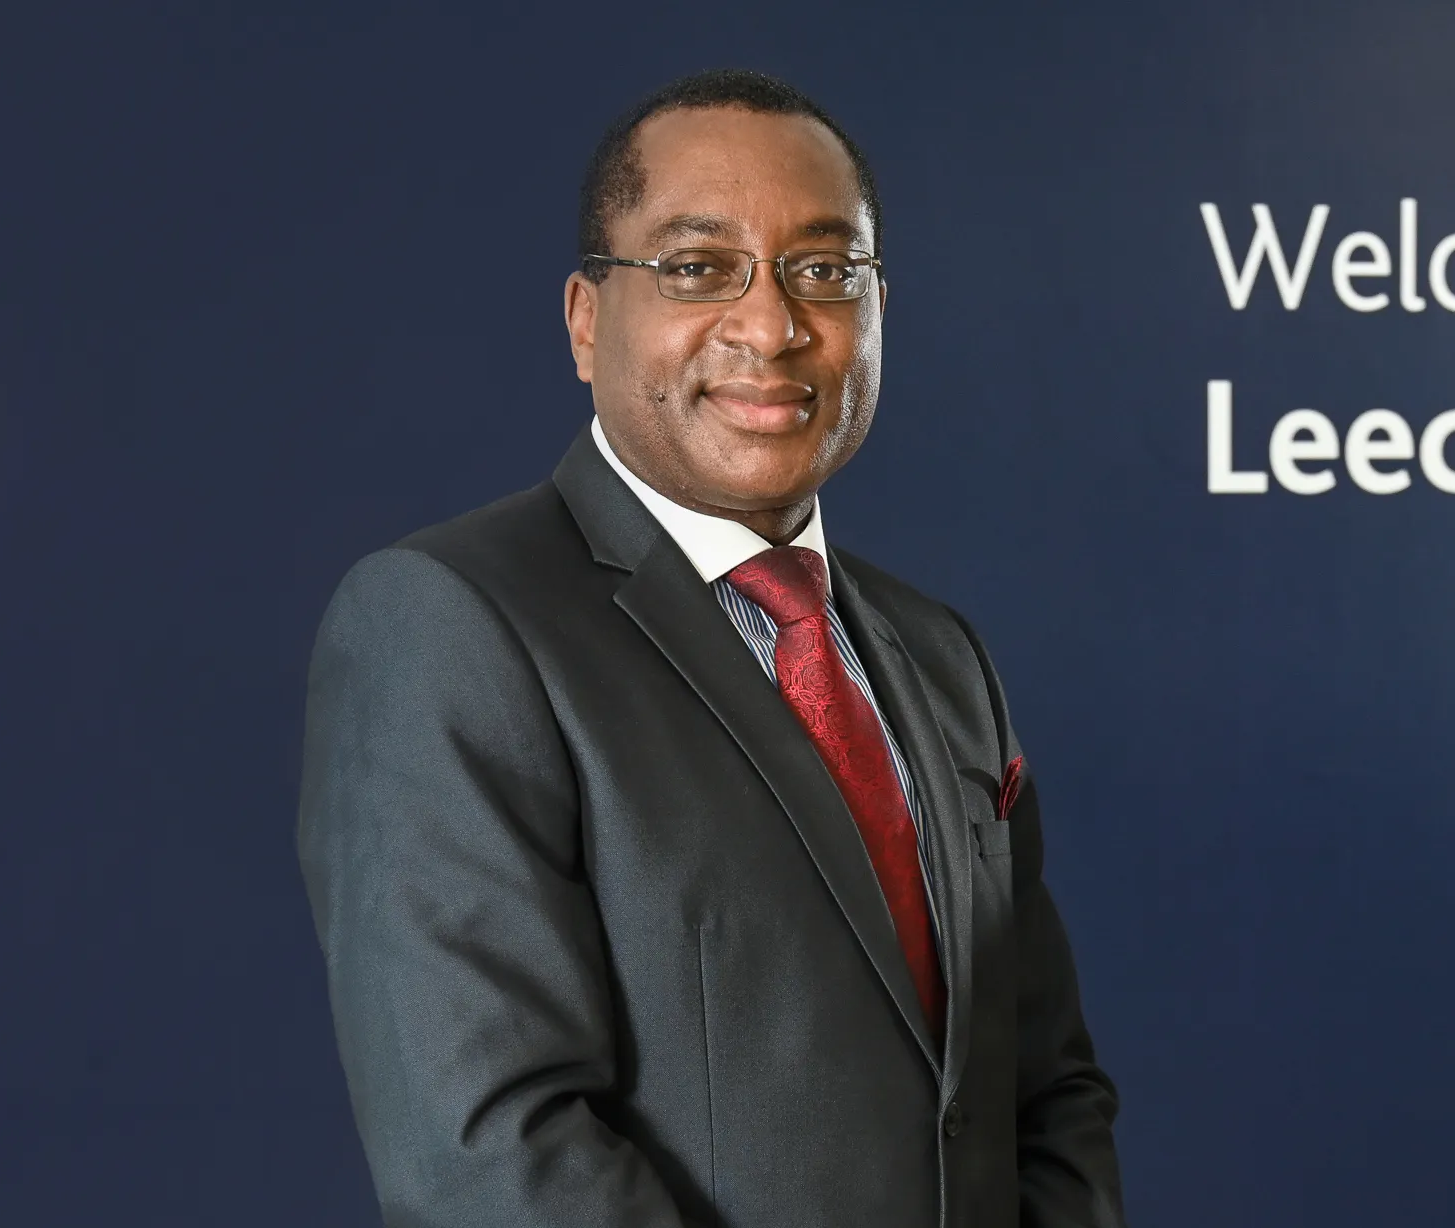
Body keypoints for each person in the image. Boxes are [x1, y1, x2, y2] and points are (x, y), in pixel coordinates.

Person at [294, 69, 1124, 1227]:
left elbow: (1045, 1092)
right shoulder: (449, 625)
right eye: (698, 268)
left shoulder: (939, 658)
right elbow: (487, 1159)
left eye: (825, 271)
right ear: (587, 322)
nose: (773, 323)